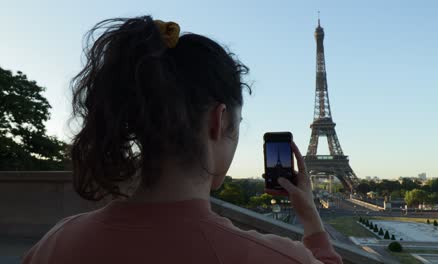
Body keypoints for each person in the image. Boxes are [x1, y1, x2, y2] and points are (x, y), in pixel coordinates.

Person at [22, 16, 342, 264]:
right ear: (218, 122)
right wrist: (313, 223)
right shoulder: (279, 259)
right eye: (237, 125)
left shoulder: (54, 244)